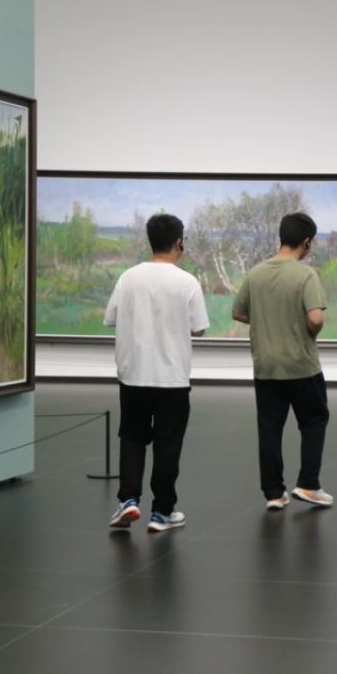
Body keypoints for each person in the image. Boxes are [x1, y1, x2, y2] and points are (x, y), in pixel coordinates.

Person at [104, 214, 210, 533]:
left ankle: (128, 500)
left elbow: (112, 318)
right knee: (167, 446)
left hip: (133, 374)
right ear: (179, 242)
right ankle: (162, 512)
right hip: (172, 378)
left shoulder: (128, 278)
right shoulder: (187, 281)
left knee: (132, 437)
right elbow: (199, 328)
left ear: (150, 240)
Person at [232, 213, 334, 511]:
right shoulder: (305, 275)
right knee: (314, 421)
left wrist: (266, 320)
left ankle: (274, 493)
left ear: (281, 237)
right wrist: (307, 329)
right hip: (301, 365)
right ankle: (308, 484)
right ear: (307, 242)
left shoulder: (255, 273)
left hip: (265, 366)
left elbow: (238, 312)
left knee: (270, 428)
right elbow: (316, 318)